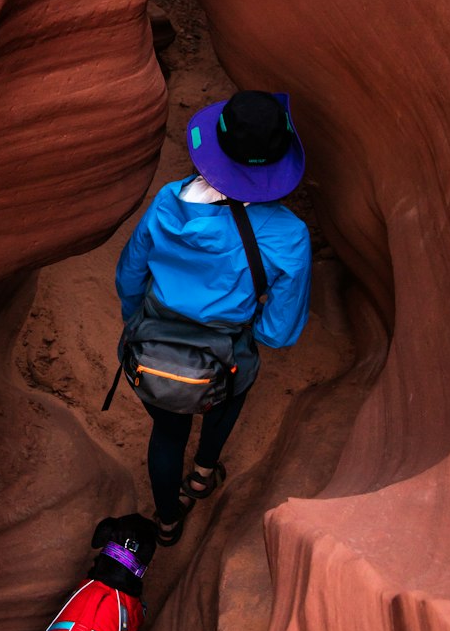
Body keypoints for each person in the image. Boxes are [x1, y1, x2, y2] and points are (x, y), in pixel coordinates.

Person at [115, 90, 312, 545]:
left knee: (167, 432)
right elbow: (279, 333)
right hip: (223, 353)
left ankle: (166, 524)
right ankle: (203, 475)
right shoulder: (288, 235)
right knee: (234, 385)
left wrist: (139, 321)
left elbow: (129, 275)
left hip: (149, 346)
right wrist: (246, 330)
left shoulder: (168, 200)